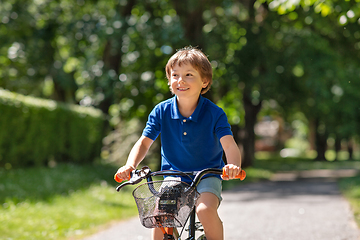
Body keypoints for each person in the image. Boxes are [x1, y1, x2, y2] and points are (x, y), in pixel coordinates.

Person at [115, 46, 242, 240]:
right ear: (169, 81)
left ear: (204, 81)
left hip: (207, 174)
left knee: (205, 210)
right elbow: (144, 142)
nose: (180, 80)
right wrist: (130, 165)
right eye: (175, 75)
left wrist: (233, 165)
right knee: (160, 216)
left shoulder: (215, 113)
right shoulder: (161, 111)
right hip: (173, 175)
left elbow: (229, 145)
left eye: (189, 75)